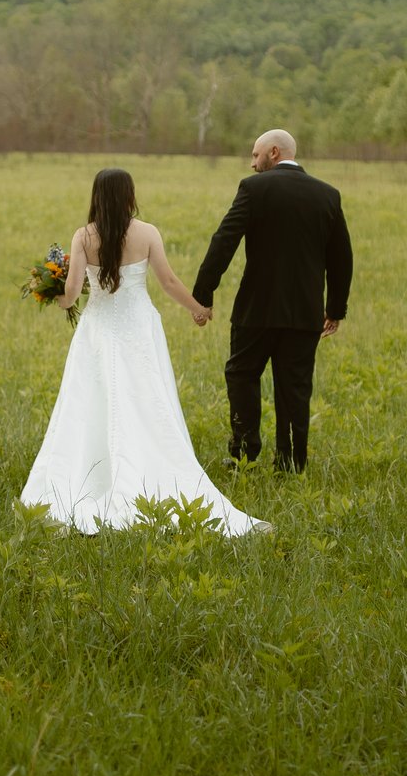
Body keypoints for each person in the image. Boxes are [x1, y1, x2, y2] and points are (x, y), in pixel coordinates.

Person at [19, 168, 271, 536]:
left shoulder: (83, 237)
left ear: (96, 196)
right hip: (138, 328)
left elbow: (70, 297)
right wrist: (197, 308)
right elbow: (168, 281)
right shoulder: (147, 232)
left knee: (90, 401)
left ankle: (91, 473)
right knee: (146, 399)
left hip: (98, 331)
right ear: (129, 195)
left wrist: (50, 290)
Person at [191, 128, 353, 472]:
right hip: (305, 312)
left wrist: (203, 295)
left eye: (255, 155)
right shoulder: (327, 195)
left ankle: (245, 453)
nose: (252, 163)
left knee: (242, 374)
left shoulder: (254, 189)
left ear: (274, 152)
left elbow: (224, 241)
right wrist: (335, 309)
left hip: (256, 310)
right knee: (294, 386)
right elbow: (342, 258)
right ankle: (291, 462)